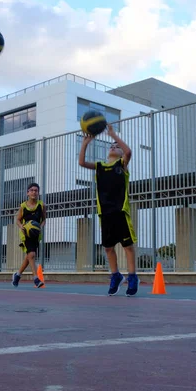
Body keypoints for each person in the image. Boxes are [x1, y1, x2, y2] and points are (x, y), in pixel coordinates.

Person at [78, 124, 139, 296]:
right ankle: (115, 275)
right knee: (108, 248)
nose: (113, 146)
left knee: (127, 246)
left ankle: (132, 276)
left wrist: (114, 135)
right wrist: (85, 143)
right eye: (111, 145)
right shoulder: (100, 167)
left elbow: (128, 152)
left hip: (120, 211)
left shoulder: (122, 164)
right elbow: (81, 162)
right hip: (104, 213)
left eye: (117, 146)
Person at [11, 183, 47, 288]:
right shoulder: (23, 206)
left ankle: (17, 275)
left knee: (29, 257)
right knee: (31, 255)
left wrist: (40, 226)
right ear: (27, 193)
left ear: (38, 193)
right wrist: (21, 226)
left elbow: (44, 219)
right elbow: (17, 219)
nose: (34, 192)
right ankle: (36, 278)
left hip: (35, 234)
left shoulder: (42, 205)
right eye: (31, 190)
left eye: (36, 190)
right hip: (25, 234)